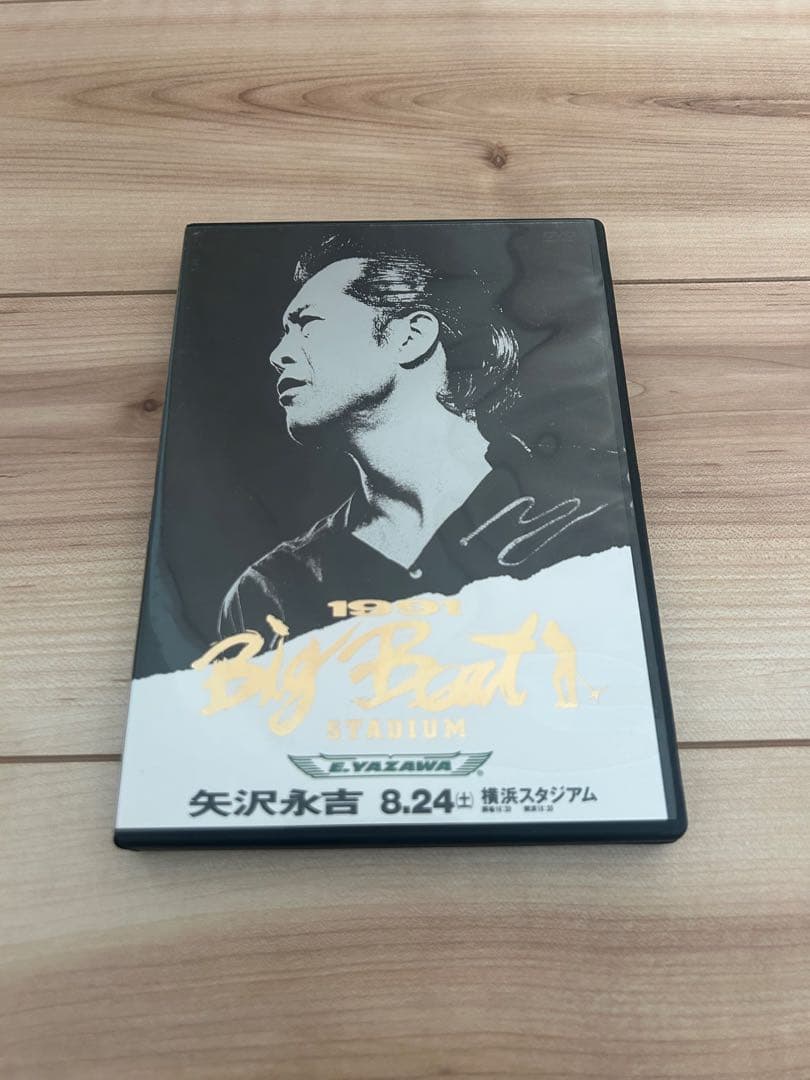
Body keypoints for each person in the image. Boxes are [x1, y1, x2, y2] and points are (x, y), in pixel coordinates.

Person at [218, 231, 628, 647]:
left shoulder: (594, 503)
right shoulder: (270, 592)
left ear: (410, 337)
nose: (278, 355)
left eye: (307, 325)